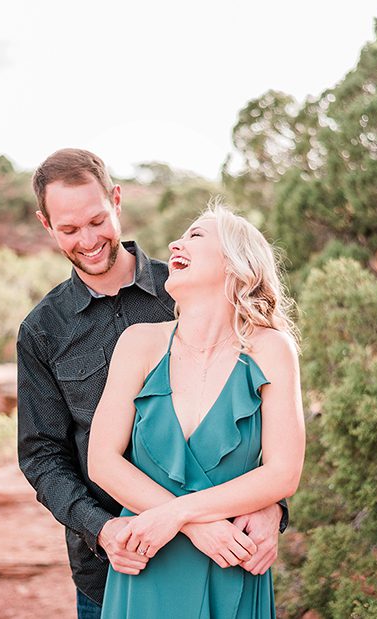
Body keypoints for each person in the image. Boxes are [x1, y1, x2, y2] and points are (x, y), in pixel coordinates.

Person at [16, 149, 287, 619]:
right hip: (118, 561)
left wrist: (273, 507)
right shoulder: (43, 330)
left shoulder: (191, 287)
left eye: (97, 220)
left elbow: (266, 429)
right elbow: (42, 456)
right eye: (69, 229)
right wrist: (103, 529)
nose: (88, 240)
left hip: (229, 551)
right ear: (46, 225)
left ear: (117, 200)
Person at [88, 200, 306, 618]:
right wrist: (195, 526)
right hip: (147, 562)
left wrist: (179, 514)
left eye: (196, 235)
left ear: (236, 262)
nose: (175, 244)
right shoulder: (139, 343)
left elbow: (284, 473)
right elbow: (102, 460)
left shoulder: (271, 350)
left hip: (231, 564)